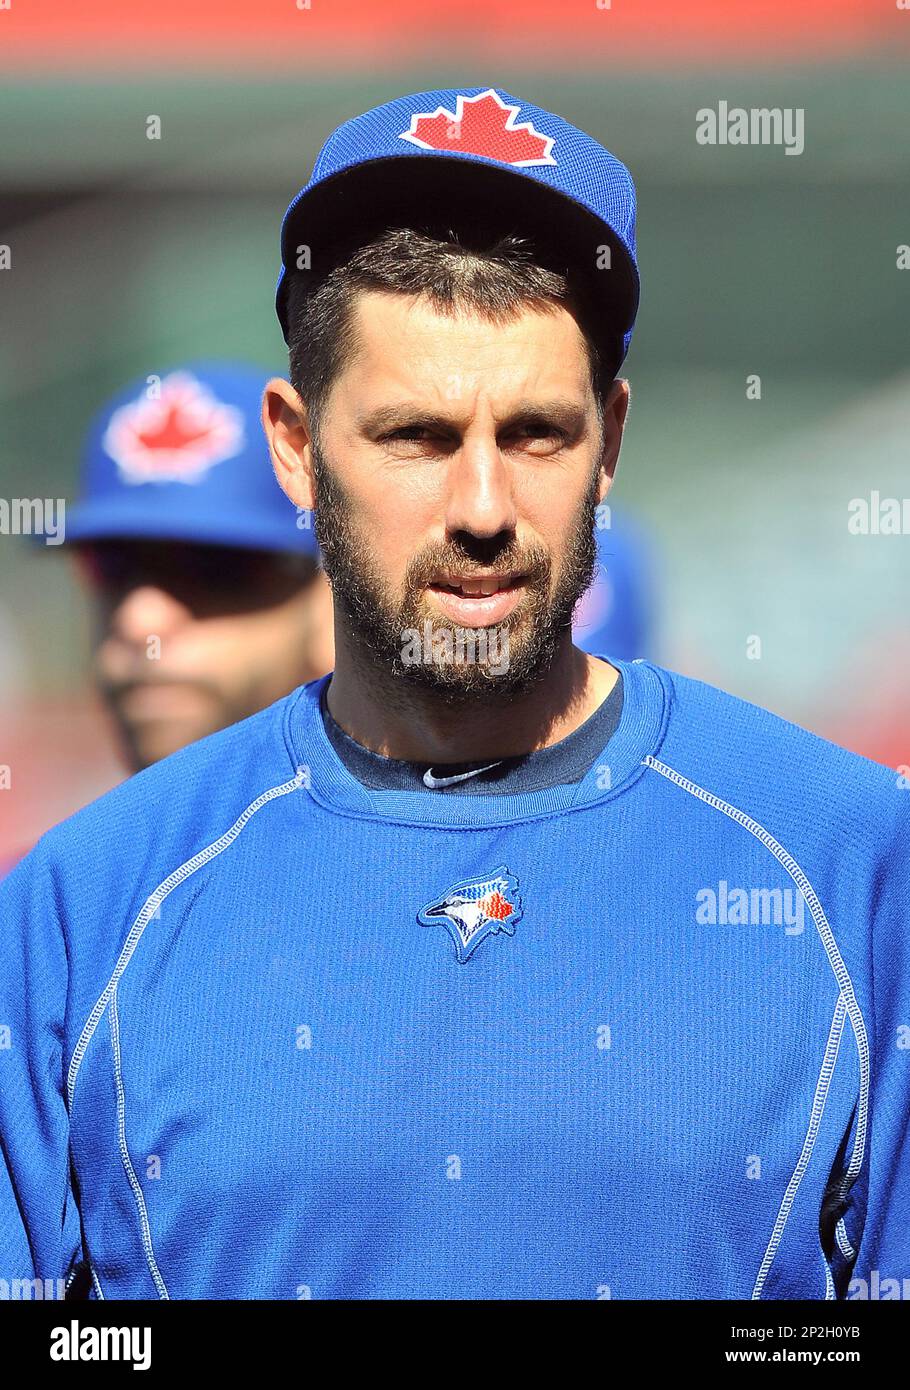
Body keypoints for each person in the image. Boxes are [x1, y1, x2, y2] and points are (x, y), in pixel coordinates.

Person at [0, 87, 906, 1302]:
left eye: (535, 432)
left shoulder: (853, 865)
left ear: (612, 439)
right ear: (294, 446)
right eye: (417, 436)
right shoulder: (82, 905)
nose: (482, 508)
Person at [63, 362, 333, 772]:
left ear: (332, 601)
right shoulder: (66, 840)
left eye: (214, 565)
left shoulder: (431, 834)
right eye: (111, 564)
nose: (139, 621)